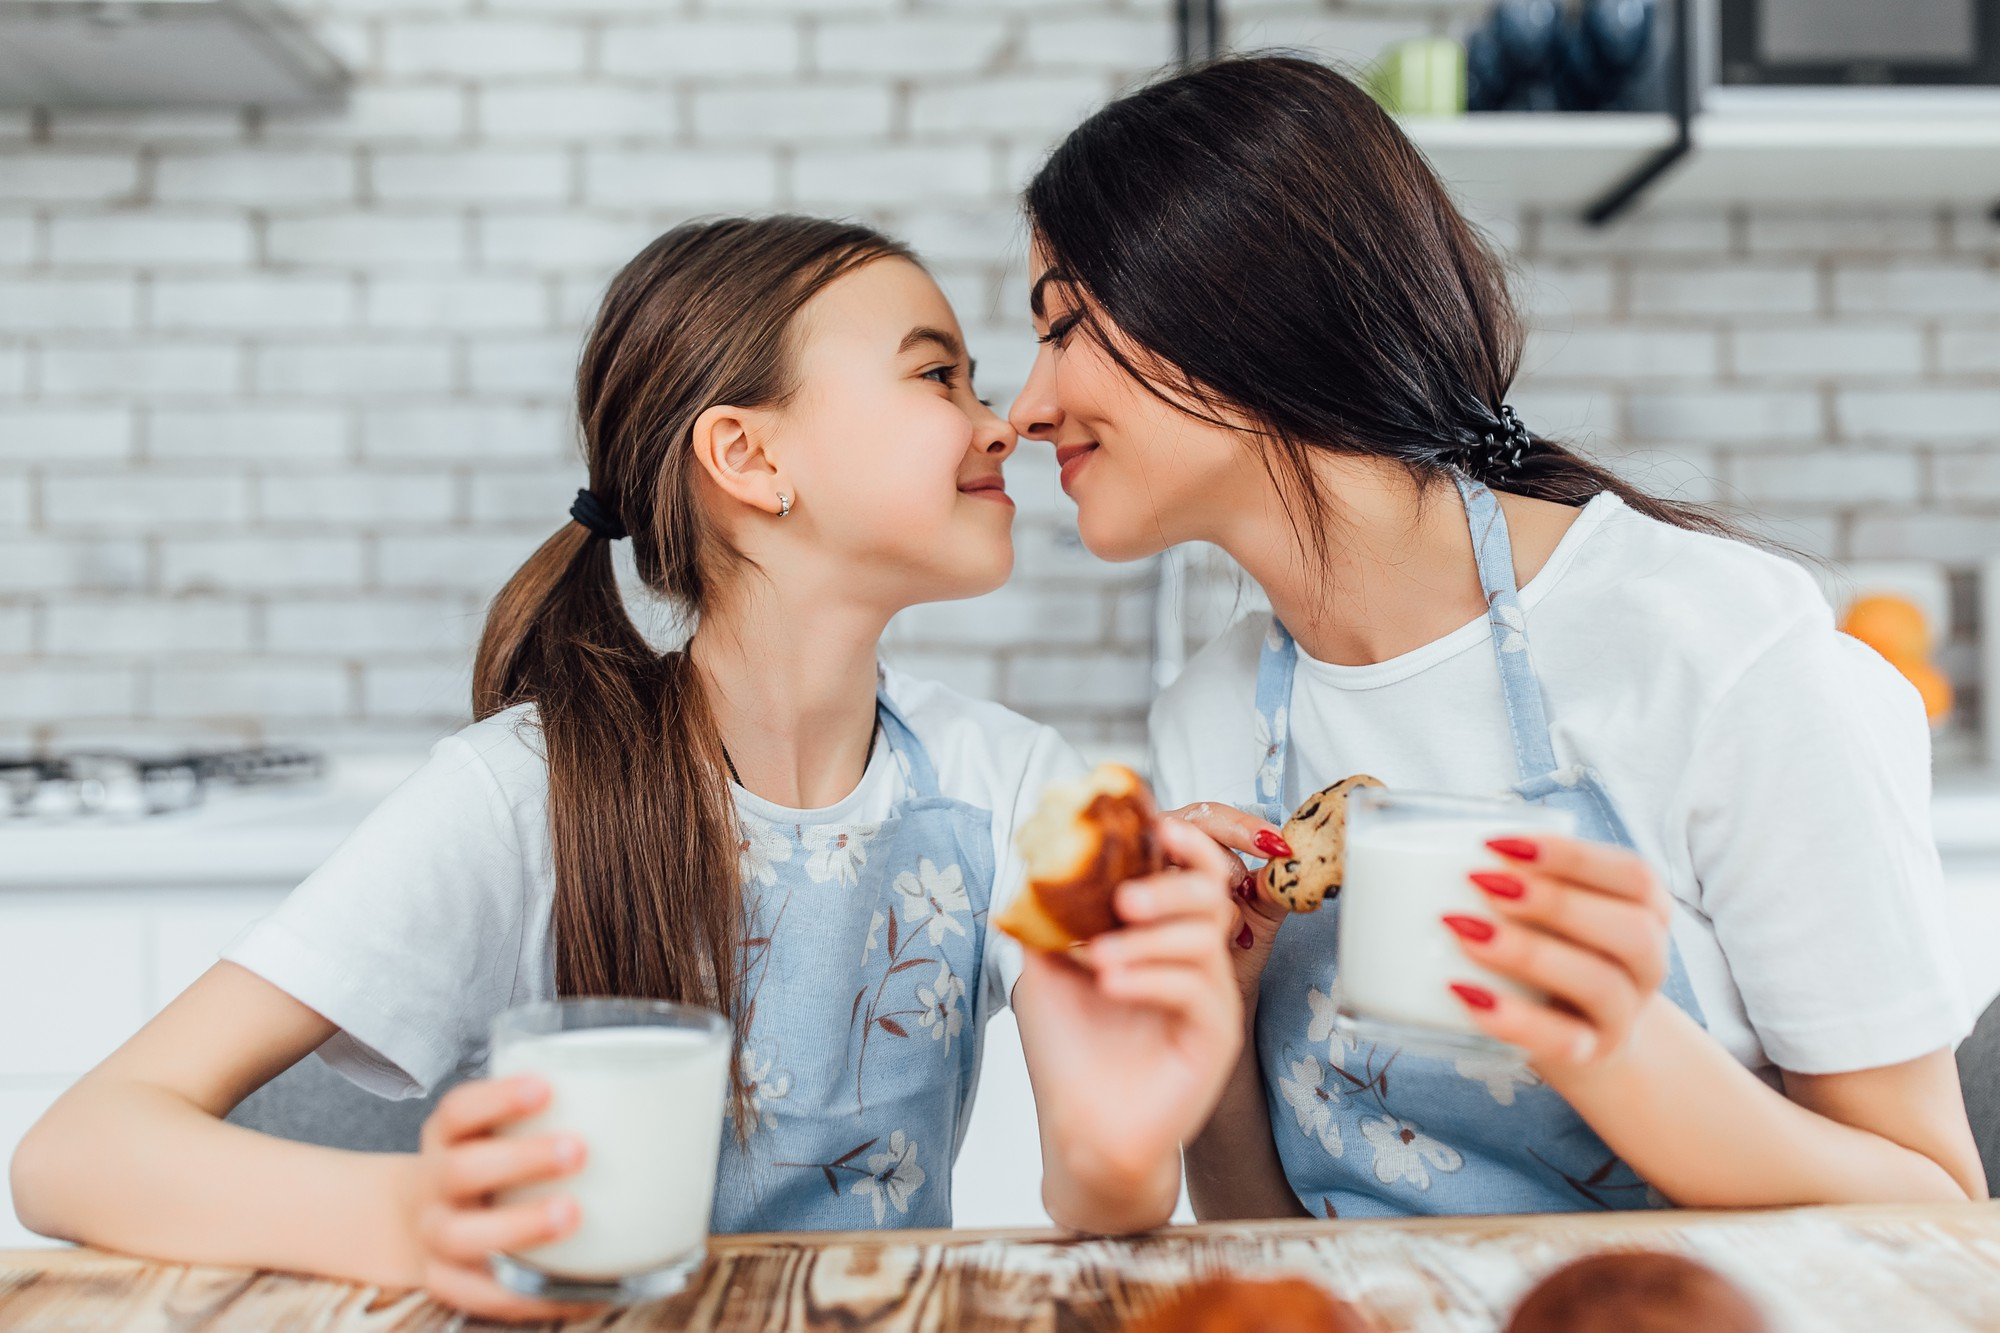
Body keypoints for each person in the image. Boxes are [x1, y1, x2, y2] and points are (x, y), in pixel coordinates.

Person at [11, 216, 1244, 1320]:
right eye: (937, 374)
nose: (1002, 422)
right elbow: (75, 1151)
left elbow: (1098, 1189)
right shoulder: (520, 793)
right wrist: (406, 1218)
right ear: (749, 458)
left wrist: (1125, 1146)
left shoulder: (1020, 783)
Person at [1006, 55, 1986, 1220]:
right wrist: (1208, 1040)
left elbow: (1936, 1222)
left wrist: (1613, 1049)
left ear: (1231, 302)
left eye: (1062, 324)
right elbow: (1267, 1244)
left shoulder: (1716, 654)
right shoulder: (1211, 715)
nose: (1023, 407)